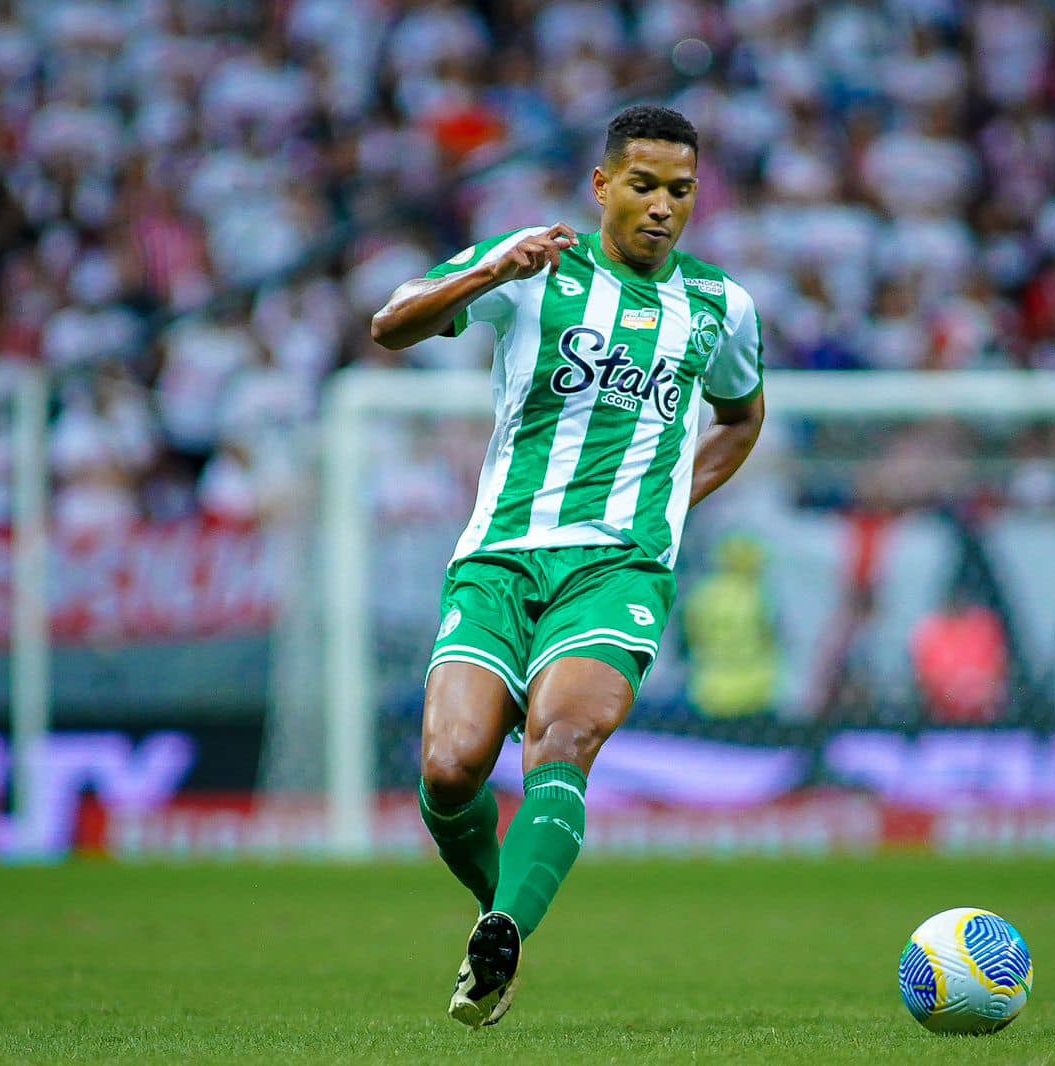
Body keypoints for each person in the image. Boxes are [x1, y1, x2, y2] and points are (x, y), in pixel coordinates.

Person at [370, 104, 765, 1027]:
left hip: (619, 569)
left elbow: (741, 417)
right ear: (602, 186)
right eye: (644, 186)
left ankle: (510, 922)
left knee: (564, 739)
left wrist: (669, 507)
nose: (663, 207)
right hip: (500, 559)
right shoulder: (534, 265)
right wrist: (484, 273)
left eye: (681, 191)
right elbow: (389, 326)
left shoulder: (722, 306)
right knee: (451, 768)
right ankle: (494, 917)